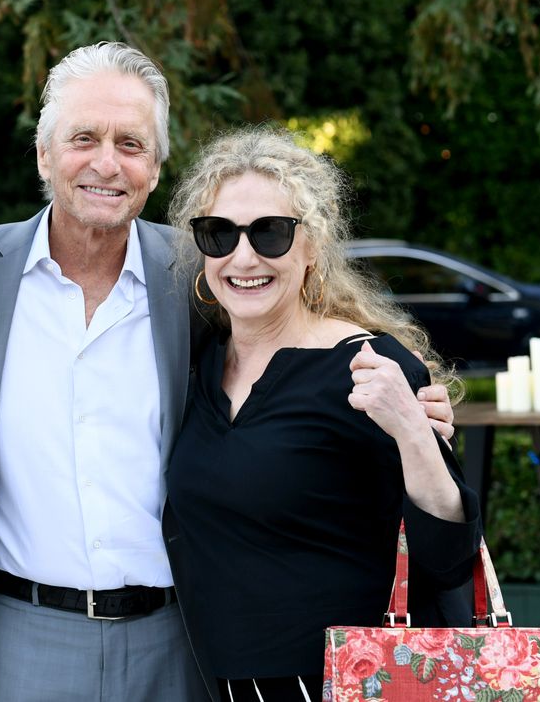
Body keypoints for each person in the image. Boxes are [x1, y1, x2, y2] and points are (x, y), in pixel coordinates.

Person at [0, 42, 457, 702]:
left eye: (130, 143)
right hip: (18, 637)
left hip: (181, 643)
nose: (106, 162)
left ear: (155, 167)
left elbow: (294, 329)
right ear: (42, 154)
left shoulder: (197, 273)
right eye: (83, 138)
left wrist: (412, 419)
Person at [163, 126, 482, 701]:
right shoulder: (196, 365)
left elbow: (449, 560)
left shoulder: (368, 366)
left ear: (311, 246)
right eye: (219, 233)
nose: (244, 256)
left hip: (350, 683)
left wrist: (412, 428)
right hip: (225, 683)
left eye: (271, 233)